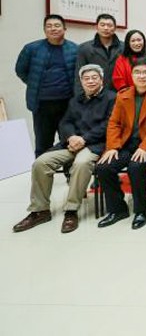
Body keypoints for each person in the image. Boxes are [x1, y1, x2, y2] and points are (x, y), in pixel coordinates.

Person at [12, 65, 116, 234]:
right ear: (81, 81)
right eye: (86, 78)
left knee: (81, 163)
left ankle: (71, 210)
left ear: (101, 80)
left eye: (94, 77)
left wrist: (84, 139)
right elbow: (65, 122)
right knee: (41, 163)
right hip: (71, 144)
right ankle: (40, 210)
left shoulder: (112, 98)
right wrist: (71, 137)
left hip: (95, 144)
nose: (90, 81)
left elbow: (110, 124)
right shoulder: (75, 100)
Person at [95, 57, 146, 229]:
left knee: (136, 167)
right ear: (131, 75)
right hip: (126, 144)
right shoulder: (123, 95)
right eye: (137, 72)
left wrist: (144, 147)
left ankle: (140, 211)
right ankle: (118, 209)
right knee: (103, 167)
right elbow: (114, 123)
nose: (141, 76)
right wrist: (112, 147)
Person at [15, 14, 78, 156]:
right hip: (42, 104)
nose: (53, 29)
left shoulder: (75, 49)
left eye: (57, 25)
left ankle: (69, 169)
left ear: (65, 28)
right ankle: (42, 170)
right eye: (49, 26)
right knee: (43, 143)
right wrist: (34, 83)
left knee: (69, 141)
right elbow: (20, 70)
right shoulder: (31, 49)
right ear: (44, 30)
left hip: (68, 103)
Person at [75, 13, 122, 96]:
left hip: (118, 93)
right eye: (102, 25)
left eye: (109, 25)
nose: (106, 28)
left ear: (115, 28)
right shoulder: (84, 48)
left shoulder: (124, 47)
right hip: (94, 94)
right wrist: (81, 96)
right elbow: (79, 74)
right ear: (96, 27)